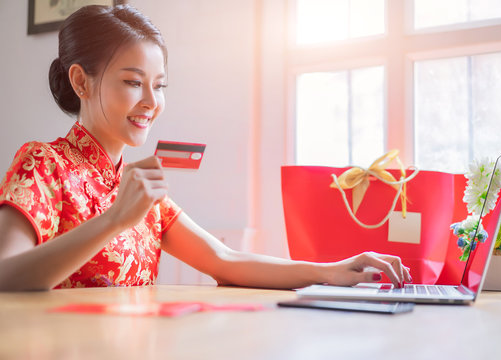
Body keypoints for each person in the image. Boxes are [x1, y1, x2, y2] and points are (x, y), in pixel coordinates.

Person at [0, 4, 411, 291]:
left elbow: (225, 261)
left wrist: (332, 270)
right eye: (132, 82)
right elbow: (5, 275)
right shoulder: (43, 163)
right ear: (81, 82)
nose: (151, 101)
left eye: (160, 86)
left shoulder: (139, 188)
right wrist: (115, 219)